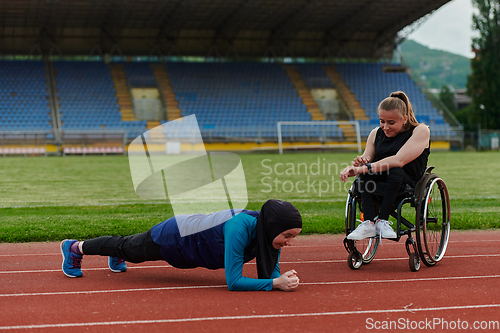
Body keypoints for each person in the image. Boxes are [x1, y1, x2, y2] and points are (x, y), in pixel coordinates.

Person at [60, 199, 302, 292]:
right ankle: (74, 247)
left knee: (129, 248)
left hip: (193, 244)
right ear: (272, 226)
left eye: (292, 237)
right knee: (129, 249)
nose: (289, 242)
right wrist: (274, 283)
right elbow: (234, 282)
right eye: (287, 235)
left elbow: (272, 270)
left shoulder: (266, 233)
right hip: (177, 237)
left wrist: (282, 278)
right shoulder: (240, 227)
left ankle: (117, 254)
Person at [340, 91, 430, 240]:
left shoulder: (420, 131)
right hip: (382, 180)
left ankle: (382, 221)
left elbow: (399, 160)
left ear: (405, 119)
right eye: (382, 121)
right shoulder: (376, 133)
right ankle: (368, 223)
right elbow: (367, 160)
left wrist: (364, 167)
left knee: (395, 169)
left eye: (391, 122)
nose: (385, 127)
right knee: (365, 172)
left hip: (406, 182)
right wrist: (359, 163)